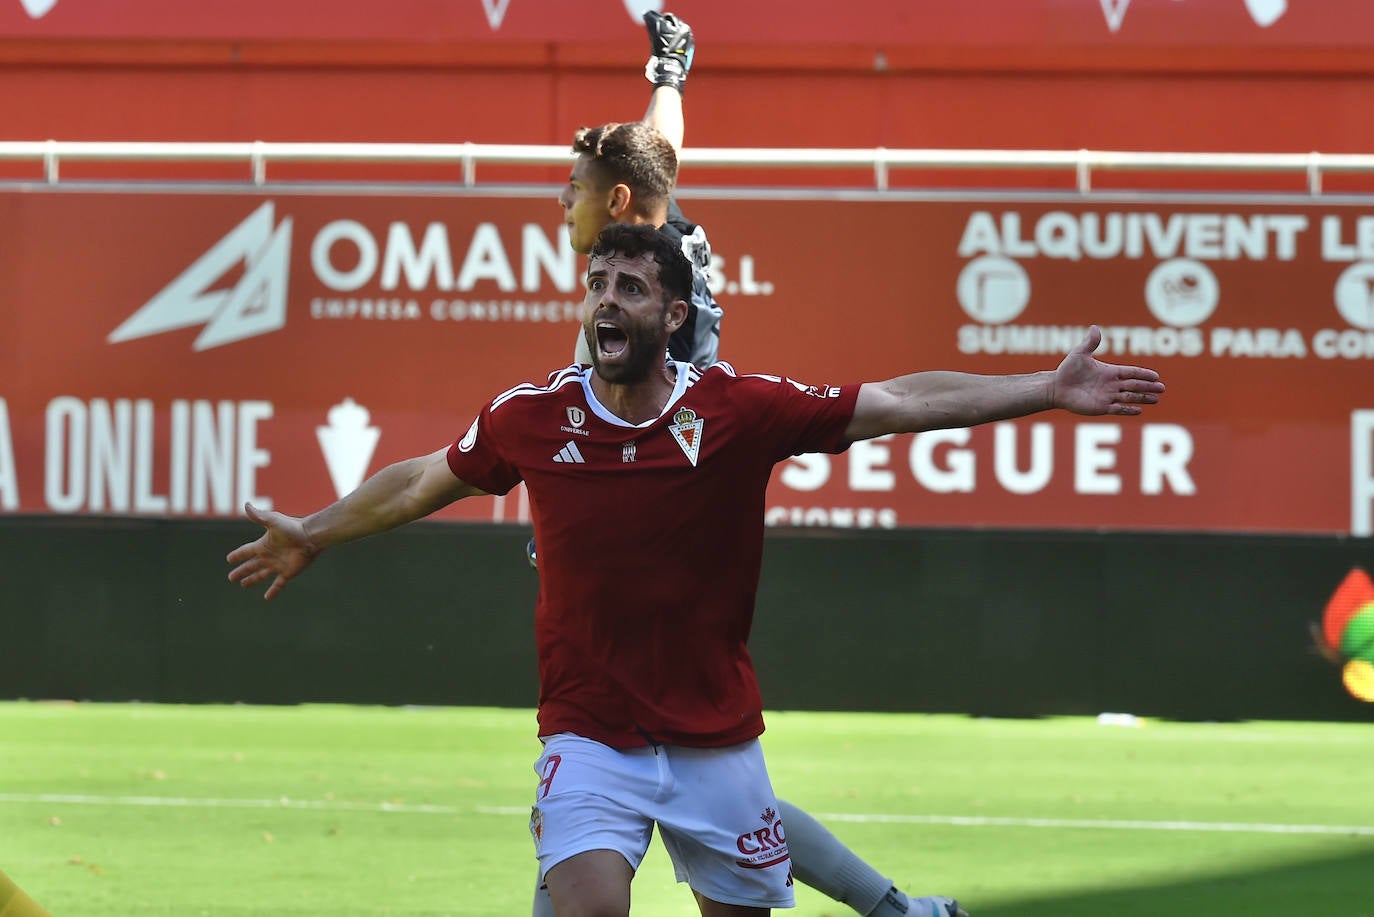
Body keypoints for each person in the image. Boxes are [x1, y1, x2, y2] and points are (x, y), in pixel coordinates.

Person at [227, 221, 1166, 915]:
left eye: (630, 287)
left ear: (673, 315)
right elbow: (418, 482)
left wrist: (1045, 388)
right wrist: (313, 531)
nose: (606, 300)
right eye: (597, 283)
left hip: (714, 739)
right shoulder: (532, 416)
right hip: (591, 735)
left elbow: (901, 401)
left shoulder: (734, 410)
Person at [540, 13, 968, 916]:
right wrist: (670, 74)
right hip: (644, 555)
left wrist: (607, 515)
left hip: (671, 534)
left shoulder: (655, 302)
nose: (561, 203)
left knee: (707, 794)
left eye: (573, 188)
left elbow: (664, 410)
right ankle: (898, 909)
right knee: (725, 803)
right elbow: (658, 153)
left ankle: (895, 909)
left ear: (617, 212)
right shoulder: (655, 226)